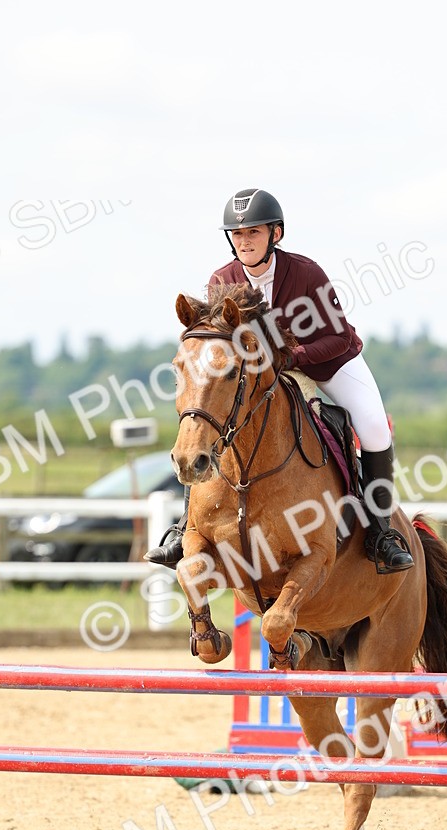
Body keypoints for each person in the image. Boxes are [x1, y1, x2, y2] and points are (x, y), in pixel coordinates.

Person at [145, 188, 414, 574]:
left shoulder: (306, 273)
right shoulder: (223, 279)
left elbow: (337, 337)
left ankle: (381, 533)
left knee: (373, 429)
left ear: (276, 234)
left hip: (329, 361)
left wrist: (292, 357)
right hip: (263, 372)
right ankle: (184, 526)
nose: (244, 241)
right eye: (237, 235)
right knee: (217, 422)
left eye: (254, 233)